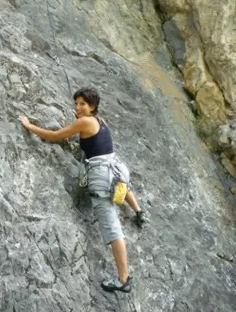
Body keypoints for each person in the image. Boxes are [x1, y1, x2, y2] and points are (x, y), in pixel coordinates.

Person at [19, 87, 145, 293]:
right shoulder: (100, 121)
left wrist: (28, 125)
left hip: (102, 177)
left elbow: (54, 135)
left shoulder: (83, 122)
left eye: (82, 104)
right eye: (76, 103)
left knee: (113, 229)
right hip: (117, 170)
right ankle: (138, 211)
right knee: (121, 187)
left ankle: (123, 280)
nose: (77, 107)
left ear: (92, 106)